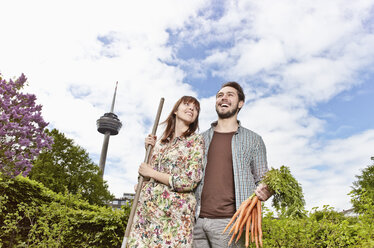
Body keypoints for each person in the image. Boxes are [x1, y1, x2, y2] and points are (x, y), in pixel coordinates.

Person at [193, 82, 273, 248]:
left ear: (240, 103)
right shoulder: (199, 140)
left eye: (230, 95)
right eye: (220, 95)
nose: (224, 97)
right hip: (196, 221)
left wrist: (267, 190)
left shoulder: (253, 140)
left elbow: (263, 179)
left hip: (232, 223)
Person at [128, 96, 204, 248]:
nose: (191, 109)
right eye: (187, 105)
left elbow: (190, 180)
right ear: (175, 111)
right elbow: (145, 174)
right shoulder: (160, 144)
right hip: (146, 216)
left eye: (195, 108)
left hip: (173, 219)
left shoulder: (195, 141)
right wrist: (149, 152)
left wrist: (153, 174)